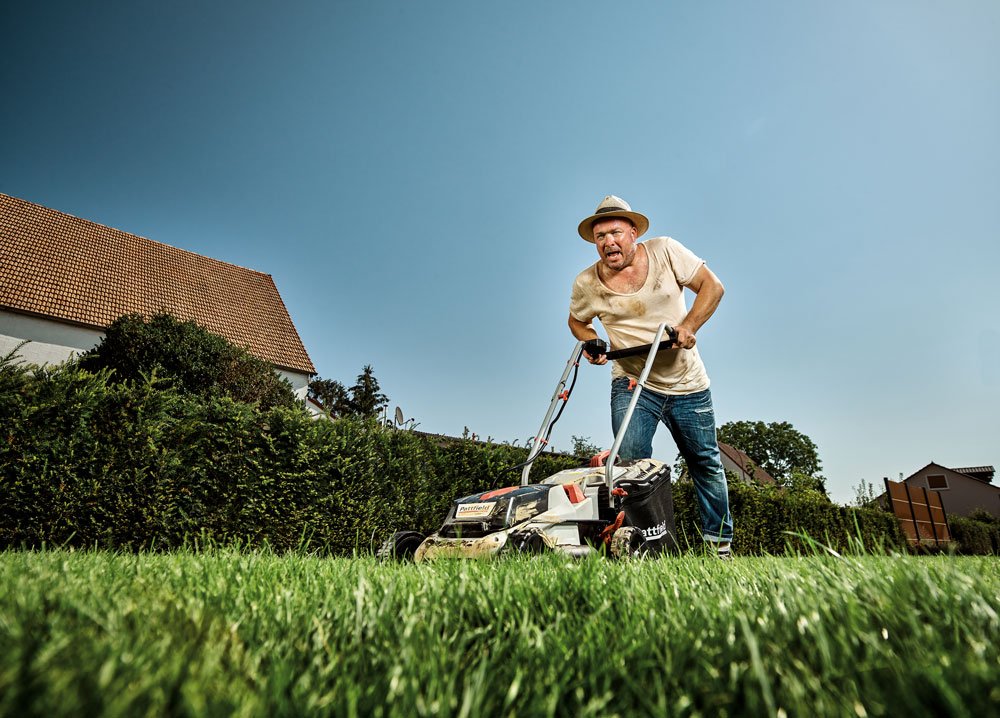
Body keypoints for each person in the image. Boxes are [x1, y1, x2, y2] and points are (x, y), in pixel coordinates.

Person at [568, 195, 733, 558]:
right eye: (600, 237)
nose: (608, 242)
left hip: (688, 383)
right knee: (629, 466)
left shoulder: (665, 252)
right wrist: (591, 341)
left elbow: (713, 286)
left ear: (633, 232)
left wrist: (689, 326)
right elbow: (577, 322)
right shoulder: (586, 283)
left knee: (704, 462)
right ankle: (643, 545)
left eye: (615, 232)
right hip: (631, 382)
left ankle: (719, 547)